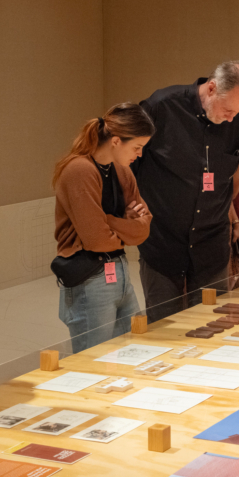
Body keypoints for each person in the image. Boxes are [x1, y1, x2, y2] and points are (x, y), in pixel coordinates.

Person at [135, 60, 239, 323]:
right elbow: (126, 162)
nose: (231, 118)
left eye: (238, 113)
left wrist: (234, 221)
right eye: (228, 109)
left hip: (211, 246)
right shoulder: (162, 106)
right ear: (212, 88)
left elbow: (226, 181)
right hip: (162, 242)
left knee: (211, 325)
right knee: (164, 328)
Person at [52, 103, 154, 352]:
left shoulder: (122, 170)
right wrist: (122, 222)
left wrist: (107, 220)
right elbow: (96, 240)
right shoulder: (79, 169)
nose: (139, 155)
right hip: (91, 277)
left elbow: (144, 229)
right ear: (117, 141)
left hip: (119, 272)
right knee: (95, 362)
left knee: (132, 352)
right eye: (137, 147)